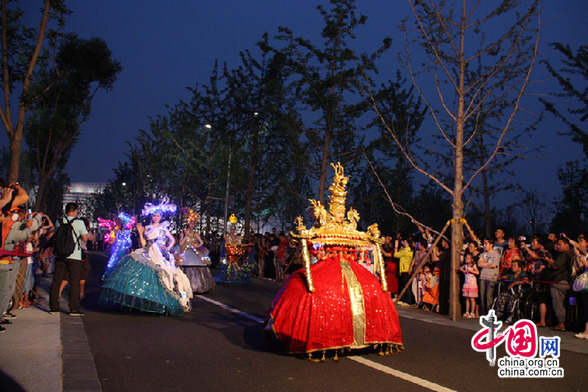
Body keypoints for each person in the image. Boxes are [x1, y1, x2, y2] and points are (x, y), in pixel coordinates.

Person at [264, 163, 402, 359]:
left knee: (372, 287)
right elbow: (311, 243)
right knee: (304, 287)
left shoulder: (349, 228)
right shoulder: (324, 227)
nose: (340, 213)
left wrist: (372, 236)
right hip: (328, 265)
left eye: (342, 209)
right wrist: (313, 245)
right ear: (331, 209)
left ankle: (371, 336)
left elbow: (366, 242)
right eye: (337, 209)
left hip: (350, 266)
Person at [100, 199, 193, 315]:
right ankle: (146, 298)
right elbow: (143, 244)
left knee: (166, 273)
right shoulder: (147, 227)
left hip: (160, 253)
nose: (156, 217)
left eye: (158, 215)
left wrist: (167, 248)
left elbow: (172, 240)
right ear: (151, 216)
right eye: (154, 215)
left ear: (161, 216)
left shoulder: (164, 226)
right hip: (149, 251)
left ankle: (164, 300)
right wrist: (140, 233)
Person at [49, 203, 88, 316]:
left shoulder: (59, 221)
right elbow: (85, 239)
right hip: (74, 256)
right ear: (75, 210)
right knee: (74, 281)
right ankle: (74, 308)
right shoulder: (79, 222)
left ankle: (54, 307)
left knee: (56, 281)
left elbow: (56, 235)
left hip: (60, 255)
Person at [176, 209, 214, 294]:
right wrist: (185, 236)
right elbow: (181, 243)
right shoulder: (183, 232)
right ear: (188, 223)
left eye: (193, 223)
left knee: (199, 262)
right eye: (190, 223)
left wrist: (196, 245)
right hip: (185, 250)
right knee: (184, 263)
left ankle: (196, 285)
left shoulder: (195, 233)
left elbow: (201, 242)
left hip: (193, 250)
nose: (192, 225)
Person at [544, 237, 573, 331]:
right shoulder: (564, 254)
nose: (558, 246)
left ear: (567, 245)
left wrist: (549, 260)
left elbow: (556, 265)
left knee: (558, 303)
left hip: (560, 282)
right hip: (560, 281)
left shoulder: (566, 254)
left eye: (560, 244)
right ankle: (559, 322)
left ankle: (561, 323)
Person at [493, 259, 530, 323]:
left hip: (518, 292)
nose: (512, 267)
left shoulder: (523, 273)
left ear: (519, 267)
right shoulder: (512, 274)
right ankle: (499, 315)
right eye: (512, 265)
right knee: (501, 296)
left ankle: (510, 316)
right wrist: (501, 277)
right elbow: (506, 277)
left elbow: (526, 281)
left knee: (512, 299)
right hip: (510, 292)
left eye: (515, 266)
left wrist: (515, 283)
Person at [478, 238, 500, 316]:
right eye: (484, 243)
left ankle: (489, 313)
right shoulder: (483, 254)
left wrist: (484, 264)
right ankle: (483, 312)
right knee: (482, 295)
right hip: (483, 277)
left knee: (488, 296)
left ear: (491, 245)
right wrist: (488, 264)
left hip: (491, 277)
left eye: (486, 243)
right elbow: (479, 264)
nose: (484, 245)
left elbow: (494, 265)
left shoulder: (496, 254)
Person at [460, 253, 479, 318]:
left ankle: (472, 312)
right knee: (467, 298)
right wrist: (463, 270)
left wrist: (472, 271)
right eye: (466, 258)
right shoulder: (465, 265)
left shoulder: (473, 265)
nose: (466, 259)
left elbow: (477, 272)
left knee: (472, 298)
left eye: (468, 258)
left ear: (471, 260)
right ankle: (467, 311)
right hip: (467, 283)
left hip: (472, 284)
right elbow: (460, 268)